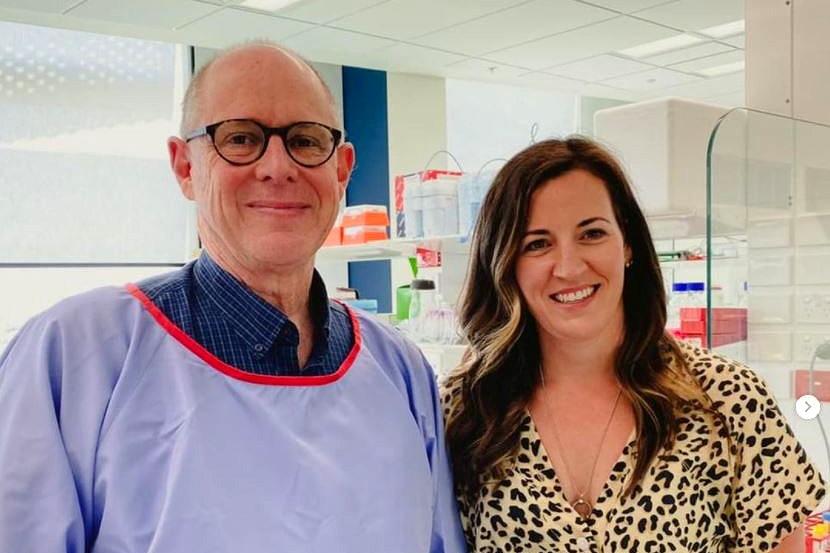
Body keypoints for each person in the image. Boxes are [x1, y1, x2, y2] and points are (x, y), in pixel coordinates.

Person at [0, 42, 466, 553]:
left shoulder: (398, 369)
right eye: (240, 138)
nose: (277, 166)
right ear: (184, 167)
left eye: (306, 141)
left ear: (341, 168)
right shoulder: (79, 352)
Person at [441, 136, 826, 552]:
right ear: (505, 262)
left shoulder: (728, 398)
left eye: (591, 233)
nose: (569, 267)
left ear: (626, 244)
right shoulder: (468, 411)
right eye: (538, 244)